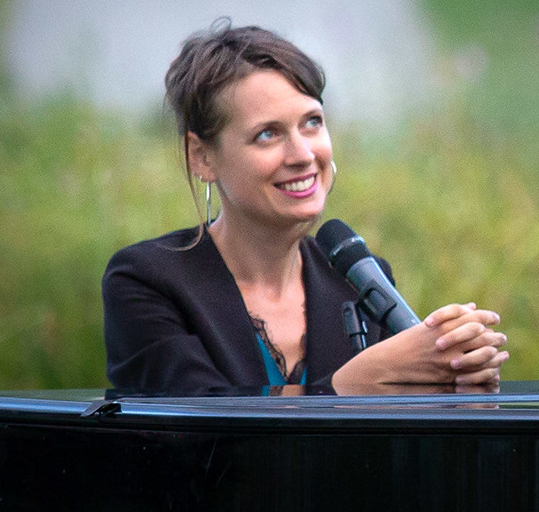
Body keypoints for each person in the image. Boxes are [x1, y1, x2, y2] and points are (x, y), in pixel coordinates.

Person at [103, 23, 509, 397]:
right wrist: (348, 389)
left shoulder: (361, 281)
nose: (302, 154)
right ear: (202, 158)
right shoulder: (146, 282)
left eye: (312, 122)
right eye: (268, 134)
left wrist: (452, 383)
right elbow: (197, 427)